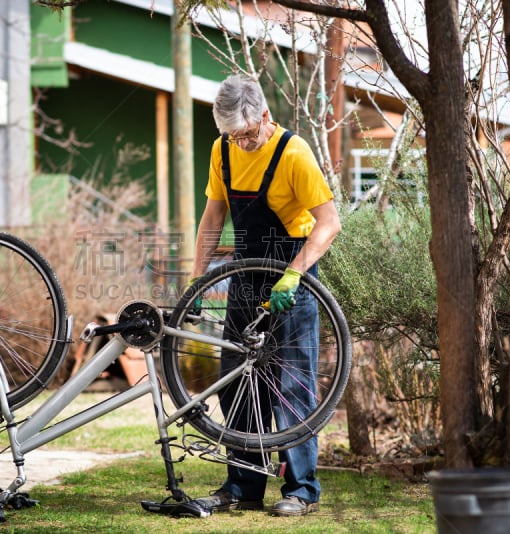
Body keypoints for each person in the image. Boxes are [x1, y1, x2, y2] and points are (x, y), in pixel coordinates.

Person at [189, 74, 342, 517]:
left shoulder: (293, 153)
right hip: (246, 270)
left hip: (292, 272)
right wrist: (198, 280)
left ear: (265, 118)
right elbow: (212, 217)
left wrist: (295, 274)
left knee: (291, 383)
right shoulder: (223, 151)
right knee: (238, 379)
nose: (240, 142)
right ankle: (242, 485)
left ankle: (301, 490)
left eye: (247, 133)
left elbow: (328, 222)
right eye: (232, 135)